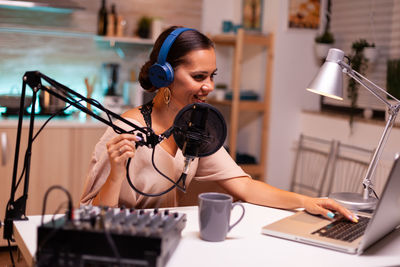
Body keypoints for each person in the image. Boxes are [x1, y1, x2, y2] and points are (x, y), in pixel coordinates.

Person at [80, 26, 358, 223]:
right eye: (199, 76)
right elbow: (90, 216)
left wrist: (307, 202)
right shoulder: (126, 129)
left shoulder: (194, 128)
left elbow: (245, 187)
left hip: (164, 242)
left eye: (212, 75)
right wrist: (116, 174)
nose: (209, 87)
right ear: (164, 76)